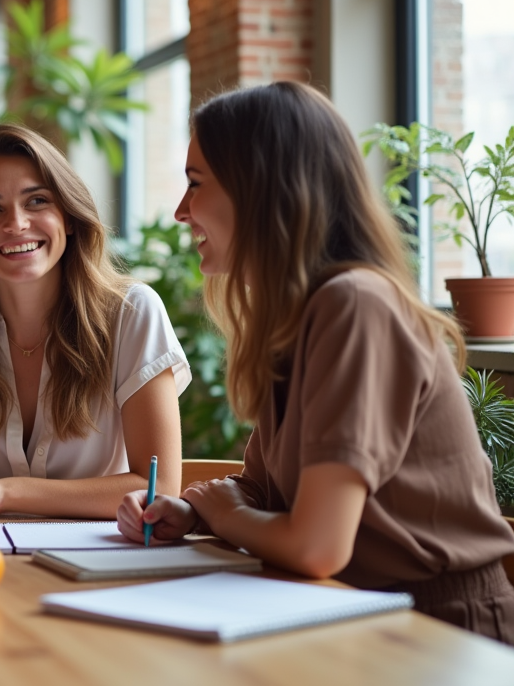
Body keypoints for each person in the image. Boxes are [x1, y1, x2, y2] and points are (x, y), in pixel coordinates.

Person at [117, 81, 514, 642]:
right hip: (352, 615)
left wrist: (227, 515)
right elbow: (266, 491)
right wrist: (195, 512)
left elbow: (316, 546)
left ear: (260, 189)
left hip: (441, 634)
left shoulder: (354, 304)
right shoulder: (301, 316)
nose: (182, 212)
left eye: (195, 184)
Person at [0, 124, 189, 530]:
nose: (16, 224)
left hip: (103, 565)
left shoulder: (132, 313)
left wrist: (5, 494)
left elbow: (159, 489)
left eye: (37, 201)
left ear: (68, 218)